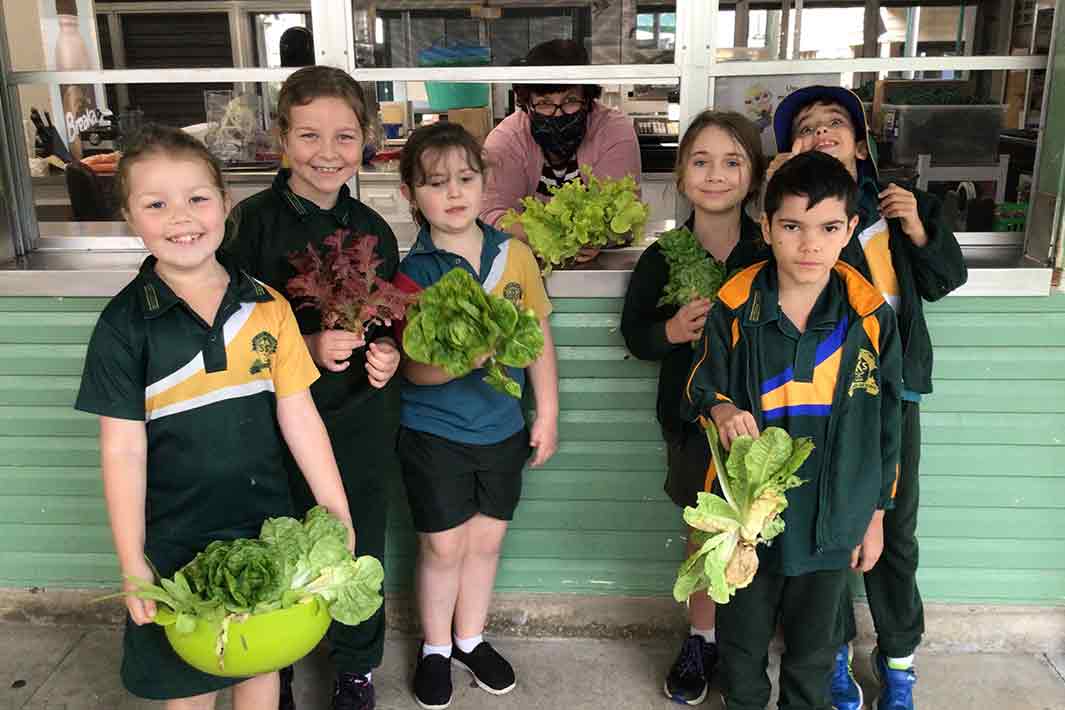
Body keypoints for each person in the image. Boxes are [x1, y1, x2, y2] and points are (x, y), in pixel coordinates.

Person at [74, 124, 355, 709]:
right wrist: (132, 562)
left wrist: (336, 513)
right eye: (157, 203)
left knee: (258, 668)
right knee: (190, 684)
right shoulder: (123, 326)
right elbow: (122, 451)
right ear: (130, 217)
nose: (182, 217)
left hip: (265, 530)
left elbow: (300, 417)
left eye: (198, 198)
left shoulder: (266, 306)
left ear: (225, 205)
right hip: (174, 544)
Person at [771, 85, 968, 710]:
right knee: (823, 528)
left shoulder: (892, 213)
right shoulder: (787, 219)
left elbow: (945, 280)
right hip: (814, 401)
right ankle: (830, 656)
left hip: (891, 396)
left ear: (861, 143)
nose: (822, 131)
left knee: (895, 530)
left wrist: (915, 225)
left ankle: (899, 660)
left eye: (836, 123)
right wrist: (773, 195)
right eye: (806, 127)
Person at [683, 150, 902, 710]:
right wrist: (724, 409)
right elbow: (702, 388)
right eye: (792, 227)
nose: (810, 244)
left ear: (850, 228)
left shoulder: (870, 315)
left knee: (814, 653)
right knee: (742, 646)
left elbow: (887, 425)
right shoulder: (736, 305)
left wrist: (874, 517)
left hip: (834, 521)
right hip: (749, 525)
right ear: (767, 226)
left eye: (829, 227)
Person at [223, 66, 402, 710]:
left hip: (359, 420)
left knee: (358, 541)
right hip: (273, 426)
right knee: (278, 540)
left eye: (345, 137)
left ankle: (356, 668)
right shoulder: (248, 226)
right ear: (281, 138)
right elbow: (220, 332)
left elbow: (390, 317)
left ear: (367, 141)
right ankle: (280, 666)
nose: (328, 153)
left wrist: (386, 354)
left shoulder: (374, 229)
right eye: (309, 136)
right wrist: (303, 347)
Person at [394, 122, 559, 710]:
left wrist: (548, 414)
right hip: (433, 433)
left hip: (503, 429)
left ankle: (470, 638)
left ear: (485, 182)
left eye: (465, 178)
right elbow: (414, 370)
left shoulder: (513, 254)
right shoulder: (412, 272)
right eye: (436, 183)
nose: (453, 193)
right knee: (442, 549)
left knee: (486, 544)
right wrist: (473, 355)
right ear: (412, 195)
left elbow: (537, 331)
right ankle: (435, 648)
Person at [620, 109, 767, 705]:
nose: (715, 175)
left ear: (753, 175)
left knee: (760, 532)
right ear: (681, 176)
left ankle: (747, 643)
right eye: (701, 162)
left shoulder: (773, 245)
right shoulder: (663, 255)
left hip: (766, 420)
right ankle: (701, 637)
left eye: (732, 162)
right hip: (690, 420)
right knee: (704, 533)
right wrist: (674, 332)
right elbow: (635, 336)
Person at [480, 38, 641, 260]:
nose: (558, 113)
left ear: (588, 98)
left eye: (570, 100)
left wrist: (600, 234)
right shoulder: (506, 140)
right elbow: (490, 214)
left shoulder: (614, 131)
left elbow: (626, 212)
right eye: (545, 103)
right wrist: (547, 238)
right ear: (528, 104)